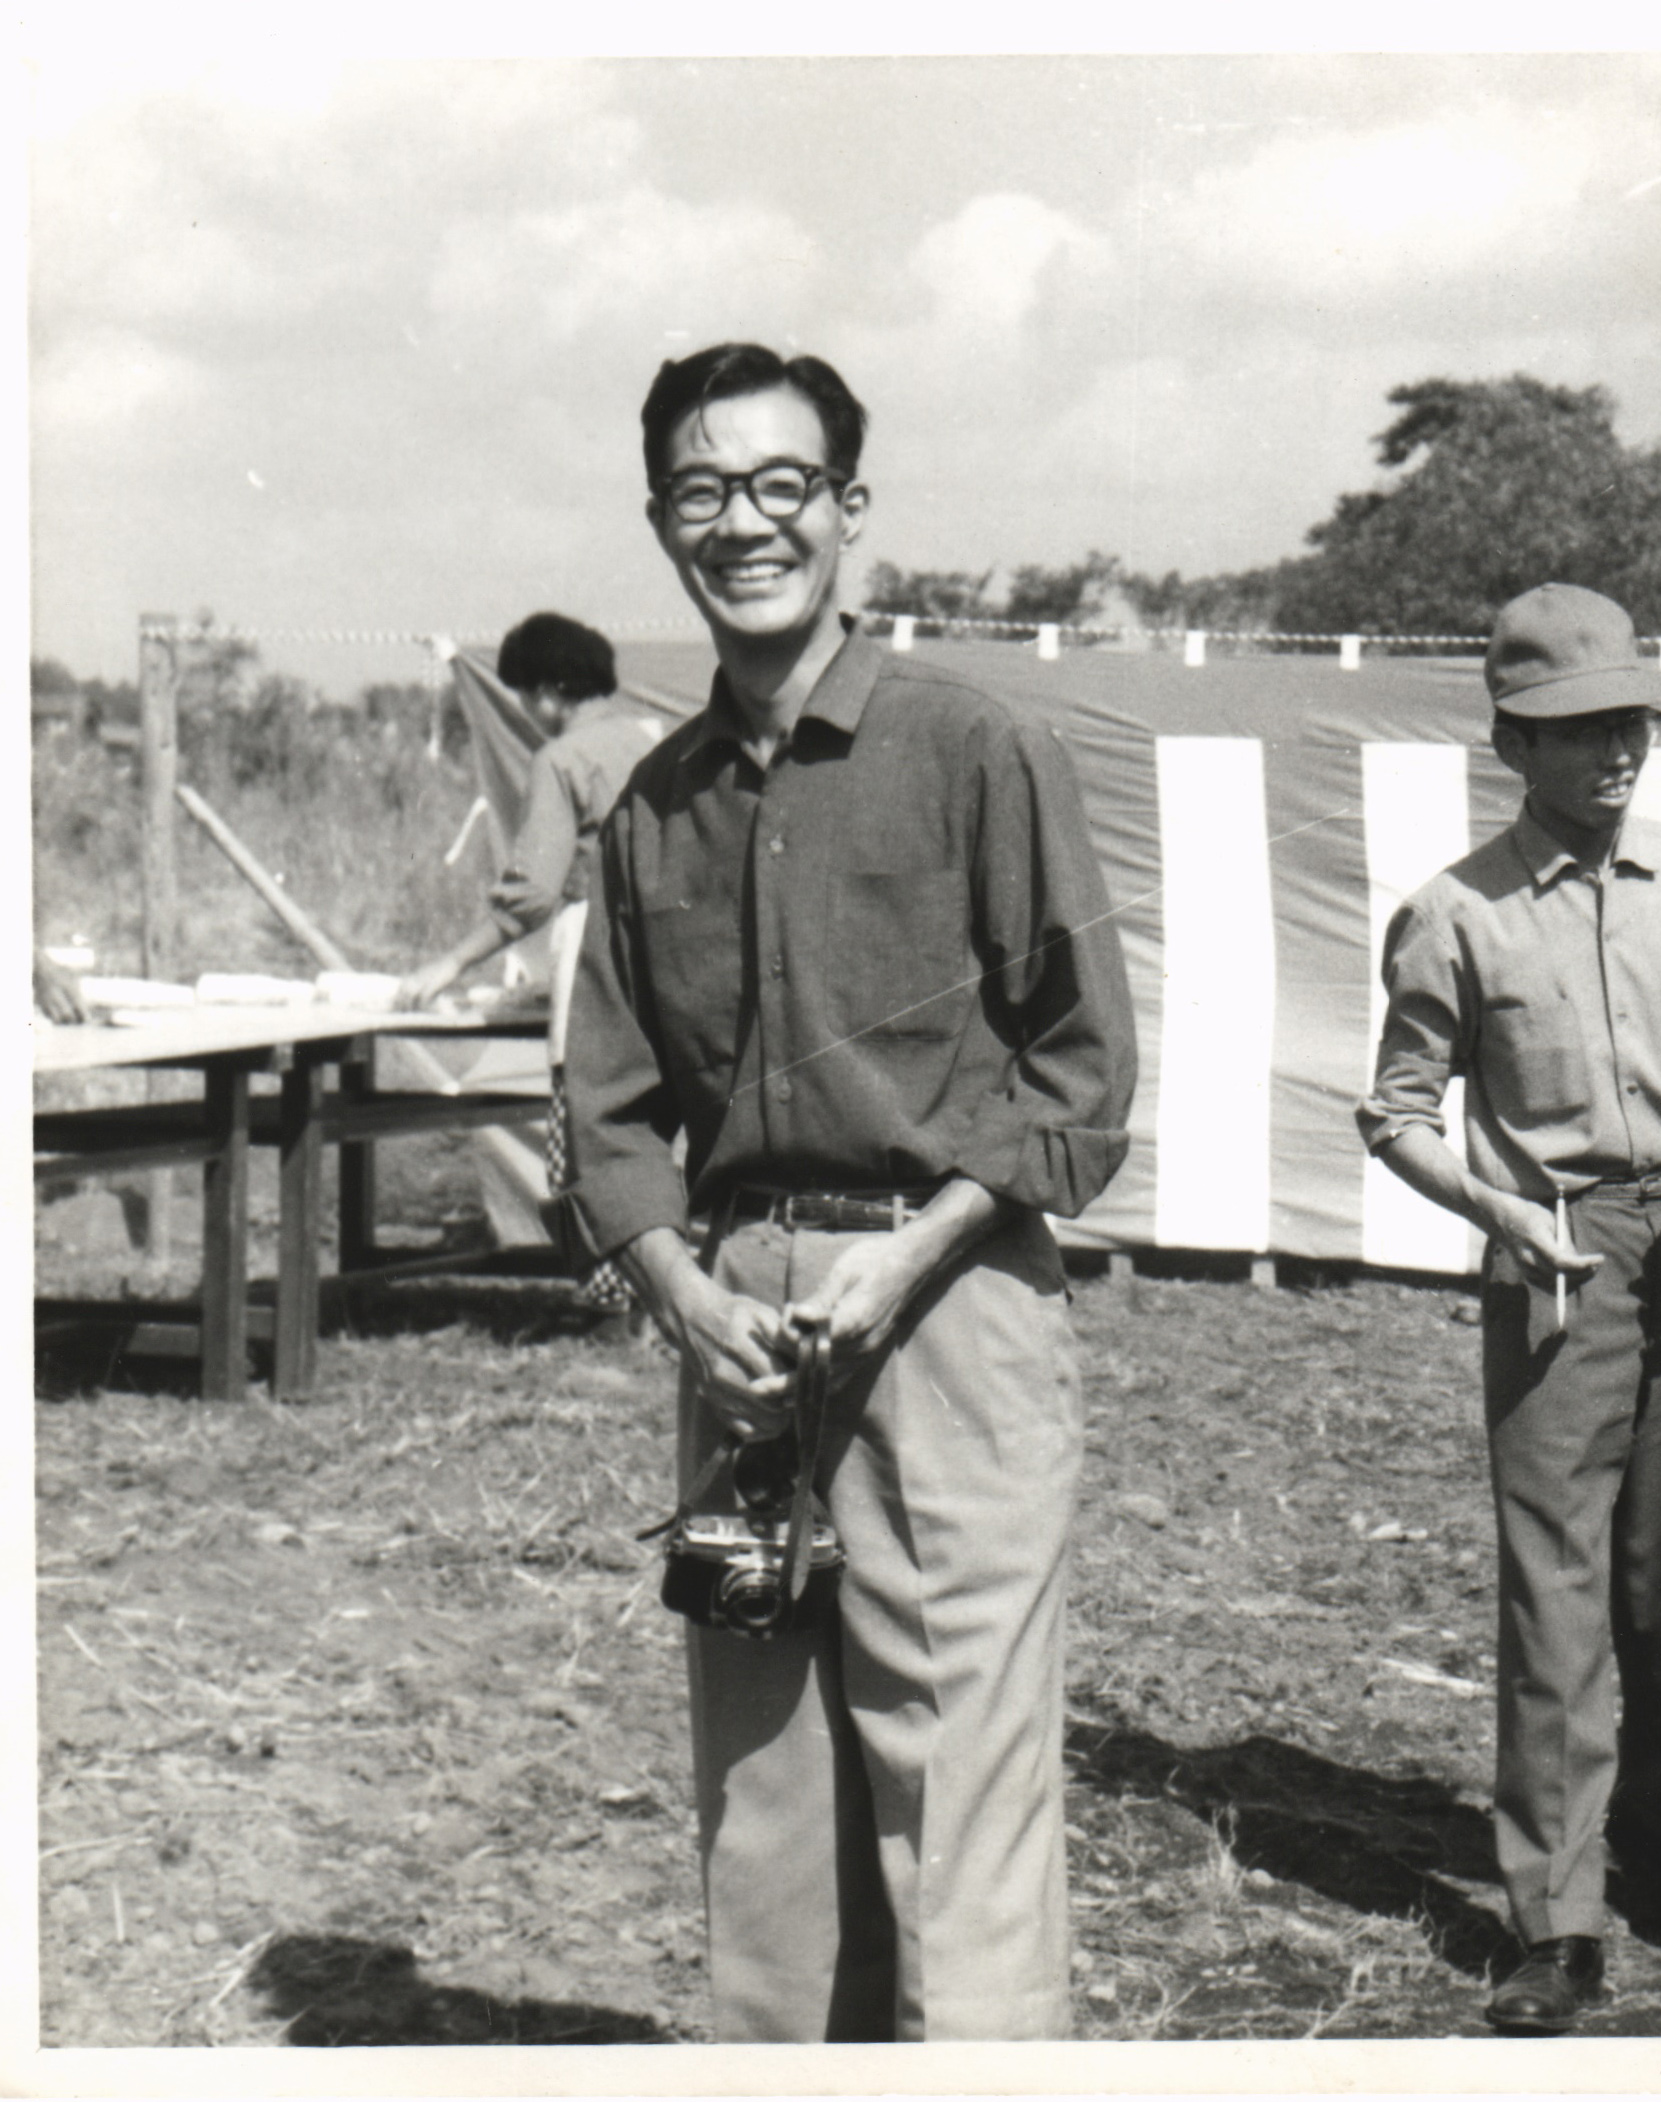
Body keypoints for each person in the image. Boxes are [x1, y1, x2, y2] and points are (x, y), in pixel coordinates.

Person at [563, 342, 1137, 2041]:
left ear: (847, 510)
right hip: (737, 1338)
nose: (743, 521)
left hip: (948, 1313)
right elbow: (604, 1105)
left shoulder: (977, 749)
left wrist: (915, 1253)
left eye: (780, 485)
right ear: (662, 518)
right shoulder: (650, 808)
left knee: (958, 1809)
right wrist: (681, 1287)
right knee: (767, 1832)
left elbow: (1081, 1071)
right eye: (702, 489)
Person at [1359, 583, 1661, 2036]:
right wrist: (1493, 1211)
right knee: (1554, 1587)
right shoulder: (1451, 914)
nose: (1614, 750)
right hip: (1555, 1253)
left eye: (1629, 719)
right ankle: (1554, 1916)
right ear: (1510, 741)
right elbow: (1393, 1111)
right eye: (1576, 729)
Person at [401, 612, 661, 1308]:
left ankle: (611, 1301)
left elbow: (532, 895)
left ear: (551, 690)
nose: (526, 712)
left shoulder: (564, 759)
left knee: (588, 1134)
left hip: (601, 956)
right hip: (673, 962)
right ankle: (656, 1305)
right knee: (658, 1136)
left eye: (524, 696)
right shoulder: (663, 739)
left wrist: (450, 965)